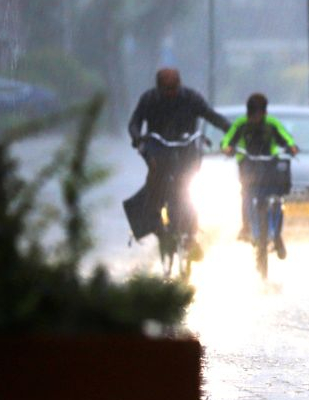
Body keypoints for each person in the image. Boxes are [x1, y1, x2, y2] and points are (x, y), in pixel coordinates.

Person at [127, 68, 231, 259]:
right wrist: (137, 138)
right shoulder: (149, 99)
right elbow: (134, 123)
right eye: (166, 89)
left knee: (187, 188)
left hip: (186, 150)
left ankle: (191, 233)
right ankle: (155, 221)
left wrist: (230, 131)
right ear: (158, 88)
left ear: (179, 85)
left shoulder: (191, 98)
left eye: (173, 88)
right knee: (155, 184)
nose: (170, 93)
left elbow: (212, 116)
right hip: (158, 150)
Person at [220, 93, 299, 259]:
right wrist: (227, 148)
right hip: (248, 164)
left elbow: (286, 138)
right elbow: (228, 140)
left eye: (258, 115)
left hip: (269, 164)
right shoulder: (241, 124)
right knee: (247, 194)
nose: (255, 119)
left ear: (264, 113)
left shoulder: (272, 124)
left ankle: (276, 235)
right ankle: (247, 227)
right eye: (252, 115)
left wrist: (291, 146)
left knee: (276, 198)